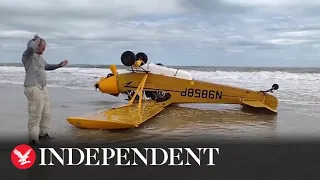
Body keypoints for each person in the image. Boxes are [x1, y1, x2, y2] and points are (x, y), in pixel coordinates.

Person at [21, 34, 68, 145]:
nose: (44, 49)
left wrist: (59, 65)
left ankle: (43, 134)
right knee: (35, 116)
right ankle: (33, 141)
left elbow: (47, 67)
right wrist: (37, 39)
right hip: (33, 88)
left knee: (46, 113)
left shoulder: (39, 58)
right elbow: (31, 47)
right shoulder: (28, 56)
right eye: (43, 46)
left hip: (42, 88)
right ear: (37, 46)